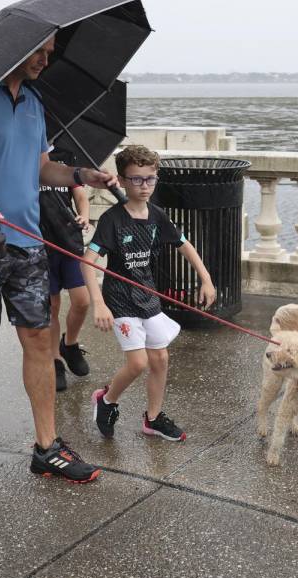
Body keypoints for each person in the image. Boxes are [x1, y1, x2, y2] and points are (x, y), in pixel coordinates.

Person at [0, 34, 116, 484]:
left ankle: (46, 448)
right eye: (39, 51)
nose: (45, 60)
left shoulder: (34, 103)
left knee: (39, 340)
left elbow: (40, 167)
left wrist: (79, 174)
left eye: (49, 53)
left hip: (28, 241)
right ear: (12, 49)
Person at [83, 145, 216, 442]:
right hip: (119, 299)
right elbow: (87, 261)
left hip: (148, 295)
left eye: (150, 179)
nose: (144, 186)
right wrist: (98, 303)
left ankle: (153, 419)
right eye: (136, 180)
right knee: (138, 363)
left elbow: (185, 245)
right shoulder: (112, 220)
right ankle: (106, 400)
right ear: (121, 180)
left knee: (160, 359)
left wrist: (205, 279)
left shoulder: (157, 216)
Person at [38, 149, 93, 391]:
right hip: (40, 242)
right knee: (52, 306)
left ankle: (69, 344)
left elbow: (80, 194)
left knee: (82, 301)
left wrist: (84, 216)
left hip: (69, 239)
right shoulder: (25, 154)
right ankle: (54, 360)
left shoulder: (65, 152)